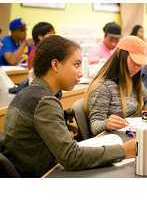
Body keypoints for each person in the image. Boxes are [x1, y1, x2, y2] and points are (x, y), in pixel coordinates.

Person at [1, 35, 135, 177]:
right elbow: (71, 157)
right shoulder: (45, 101)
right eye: (76, 64)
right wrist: (124, 151)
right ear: (55, 65)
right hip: (44, 174)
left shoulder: (28, 92)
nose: (81, 72)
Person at [85, 35, 147, 136]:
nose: (137, 67)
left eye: (140, 63)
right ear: (120, 56)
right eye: (134, 62)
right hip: (113, 140)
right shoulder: (103, 87)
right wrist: (106, 124)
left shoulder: (133, 80)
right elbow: (95, 125)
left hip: (131, 134)